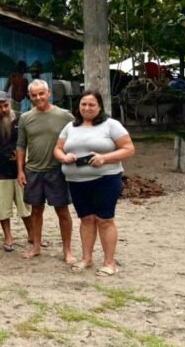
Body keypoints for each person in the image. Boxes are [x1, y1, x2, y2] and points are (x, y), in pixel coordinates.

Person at [55, 90, 134, 276]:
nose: (87, 108)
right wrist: (64, 157)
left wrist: (104, 158)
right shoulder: (70, 126)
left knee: (104, 220)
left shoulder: (111, 125)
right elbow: (57, 149)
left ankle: (109, 263)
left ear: (99, 107)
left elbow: (129, 149)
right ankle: (86, 258)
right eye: (83, 104)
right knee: (86, 219)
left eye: (91, 105)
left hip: (105, 179)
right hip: (76, 181)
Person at [16, 79, 76, 262]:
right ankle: (36, 246)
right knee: (36, 210)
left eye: (41, 93)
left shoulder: (65, 116)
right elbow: (21, 146)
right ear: (30, 96)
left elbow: (76, 138)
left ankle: (67, 250)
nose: (38, 98)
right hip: (33, 170)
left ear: (48, 93)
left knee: (62, 210)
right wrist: (20, 170)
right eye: (34, 95)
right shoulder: (25, 118)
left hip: (57, 170)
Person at [0, 91, 33, 252]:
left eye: (5, 105)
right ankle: (8, 237)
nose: (3, 109)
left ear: (10, 103)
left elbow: (28, 142)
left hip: (19, 169)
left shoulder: (21, 119)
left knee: (26, 205)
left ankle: (32, 235)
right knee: (2, 207)